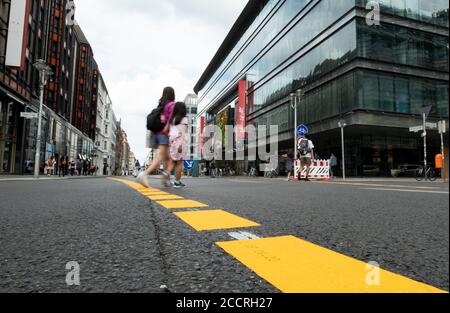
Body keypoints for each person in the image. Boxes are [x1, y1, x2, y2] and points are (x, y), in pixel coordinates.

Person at [138, 87, 176, 188]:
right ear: (172, 94)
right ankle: (144, 174)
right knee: (161, 157)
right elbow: (172, 118)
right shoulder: (171, 104)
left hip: (156, 133)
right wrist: (168, 128)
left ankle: (166, 179)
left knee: (167, 157)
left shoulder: (161, 105)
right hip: (164, 133)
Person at [166, 102, 188, 188]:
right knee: (180, 163)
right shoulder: (184, 119)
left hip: (172, 142)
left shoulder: (172, 119)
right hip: (179, 141)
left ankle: (166, 173)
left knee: (172, 161)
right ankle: (177, 182)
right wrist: (181, 144)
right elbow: (182, 132)